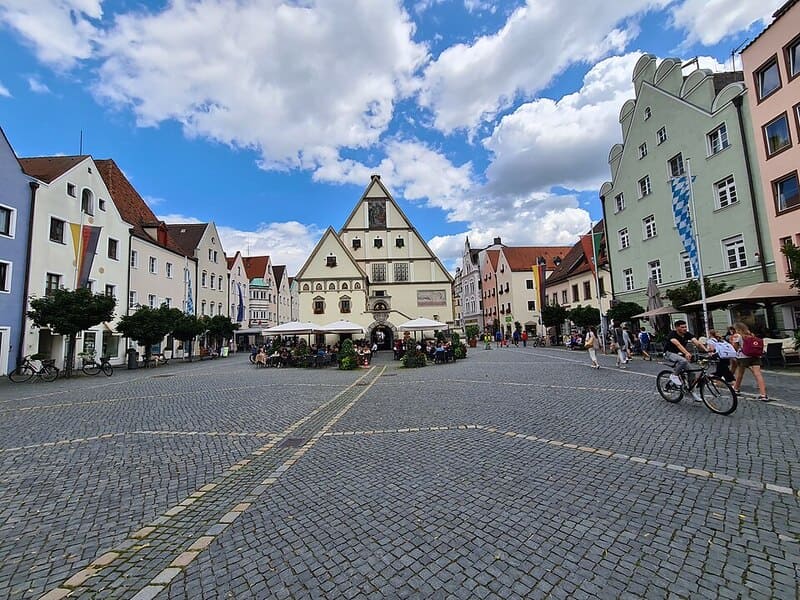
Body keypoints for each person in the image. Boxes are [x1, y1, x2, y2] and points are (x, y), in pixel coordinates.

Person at [664, 320, 710, 402]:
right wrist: (686, 353)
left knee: (691, 373)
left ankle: (691, 391)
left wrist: (707, 350)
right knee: (683, 361)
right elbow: (678, 344)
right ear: (677, 328)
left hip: (680, 354)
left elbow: (697, 342)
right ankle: (674, 375)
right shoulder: (672, 334)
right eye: (682, 327)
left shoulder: (687, 334)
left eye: (685, 327)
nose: (685, 329)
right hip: (669, 353)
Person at [730, 322, 770, 402]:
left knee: (740, 374)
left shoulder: (737, 336)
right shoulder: (751, 334)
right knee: (758, 374)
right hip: (755, 356)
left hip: (743, 357)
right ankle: (763, 395)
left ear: (737, 329)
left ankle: (736, 389)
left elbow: (735, 347)